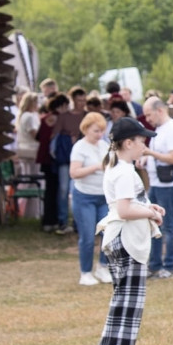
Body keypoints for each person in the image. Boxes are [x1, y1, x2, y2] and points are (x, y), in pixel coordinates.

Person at [95, 117, 164, 345]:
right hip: (126, 240)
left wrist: (148, 206)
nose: (144, 146)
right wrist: (150, 213)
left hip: (119, 238)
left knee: (124, 296)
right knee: (129, 299)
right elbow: (124, 210)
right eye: (140, 141)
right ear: (127, 143)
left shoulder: (118, 169)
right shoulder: (124, 171)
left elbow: (126, 204)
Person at [141, 98, 173, 278]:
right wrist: (146, 159)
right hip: (158, 183)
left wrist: (149, 153)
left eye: (149, 114)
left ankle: (169, 267)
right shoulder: (160, 129)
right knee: (154, 224)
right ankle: (155, 265)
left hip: (169, 185)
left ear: (159, 110)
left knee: (168, 226)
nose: (147, 119)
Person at [70, 113, 113, 285]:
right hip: (84, 197)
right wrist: (95, 167)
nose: (99, 134)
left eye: (102, 131)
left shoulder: (104, 146)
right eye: (96, 131)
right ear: (86, 129)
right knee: (88, 236)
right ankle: (85, 272)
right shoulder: (79, 147)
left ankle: (103, 267)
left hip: (103, 196)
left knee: (108, 233)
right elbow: (74, 173)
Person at [53, 87, 88, 235]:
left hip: (82, 160)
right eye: (79, 100)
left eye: (83, 100)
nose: (81, 103)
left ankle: (77, 221)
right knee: (63, 190)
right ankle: (62, 220)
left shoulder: (87, 116)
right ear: (73, 100)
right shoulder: (64, 117)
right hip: (66, 158)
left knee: (77, 190)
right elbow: (54, 136)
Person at [37, 94, 68, 233]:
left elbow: (38, 136)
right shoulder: (60, 119)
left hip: (44, 159)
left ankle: (48, 220)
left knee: (50, 190)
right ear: (61, 106)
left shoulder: (44, 118)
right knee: (55, 191)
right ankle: (53, 220)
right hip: (55, 159)